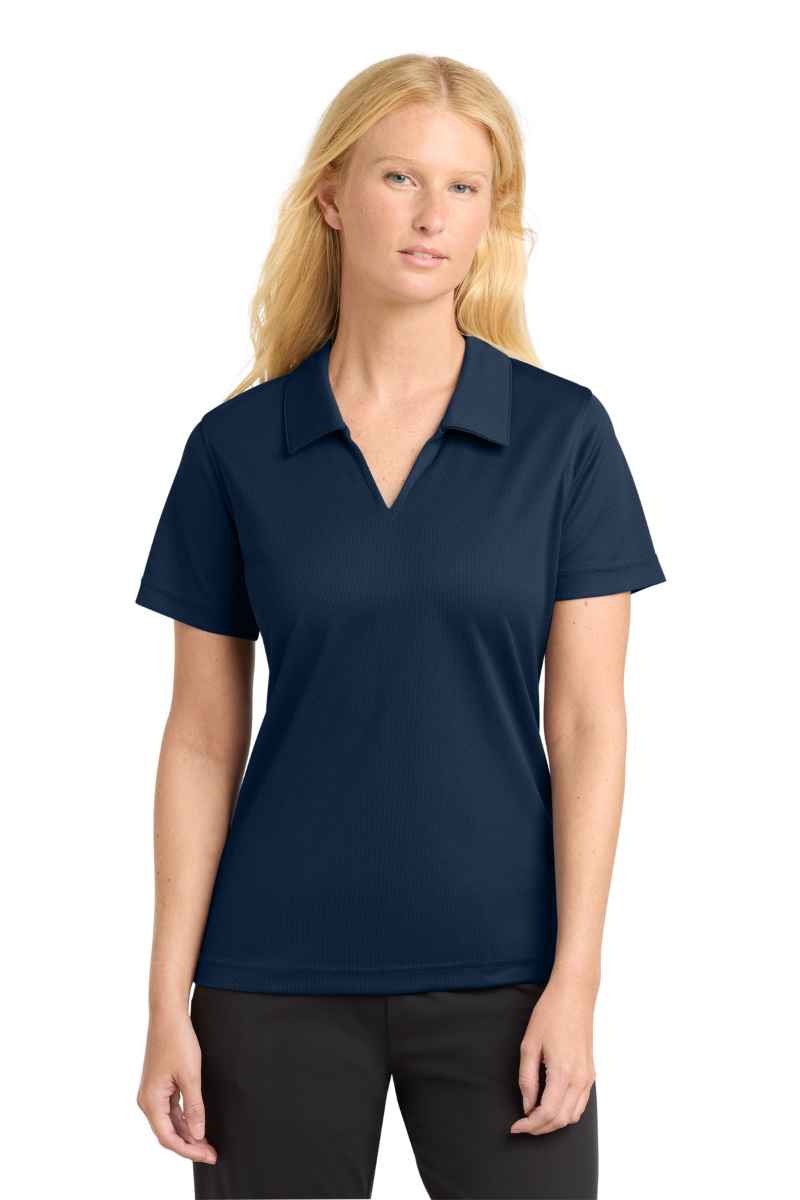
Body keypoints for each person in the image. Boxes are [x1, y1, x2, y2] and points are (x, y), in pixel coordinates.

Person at [134, 53, 666, 1200]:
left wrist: (575, 981)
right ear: (332, 196)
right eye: (398, 178)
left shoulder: (561, 439)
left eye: (463, 188)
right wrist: (166, 999)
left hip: (507, 977)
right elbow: (201, 740)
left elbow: (587, 723)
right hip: (269, 975)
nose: (431, 216)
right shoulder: (236, 450)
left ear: (489, 218)